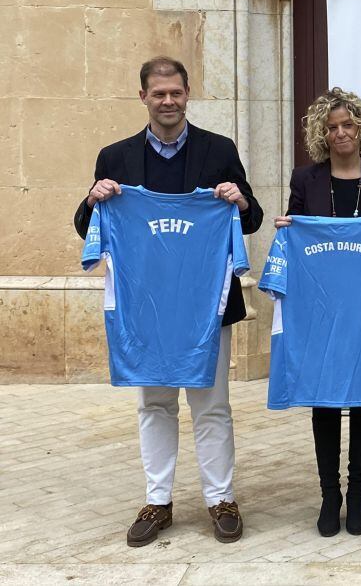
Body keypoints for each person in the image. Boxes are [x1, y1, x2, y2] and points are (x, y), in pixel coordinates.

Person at [73, 56, 263, 547]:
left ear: (187, 93)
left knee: (212, 404)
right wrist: (93, 199)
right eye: (158, 94)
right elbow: (87, 227)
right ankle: (158, 502)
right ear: (143, 97)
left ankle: (221, 499)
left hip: (206, 308)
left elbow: (252, 218)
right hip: (147, 308)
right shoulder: (114, 157)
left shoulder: (219, 150)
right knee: (155, 405)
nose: (168, 101)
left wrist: (238, 199)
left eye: (176, 92)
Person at [272, 88, 361, 537]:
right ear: (321, 133)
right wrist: (286, 229)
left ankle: (358, 491)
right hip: (319, 310)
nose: (340, 133)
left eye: (347, 125)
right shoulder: (305, 180)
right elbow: (296, 235)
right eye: (331, 127)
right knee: (325, 397)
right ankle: (329, 493)